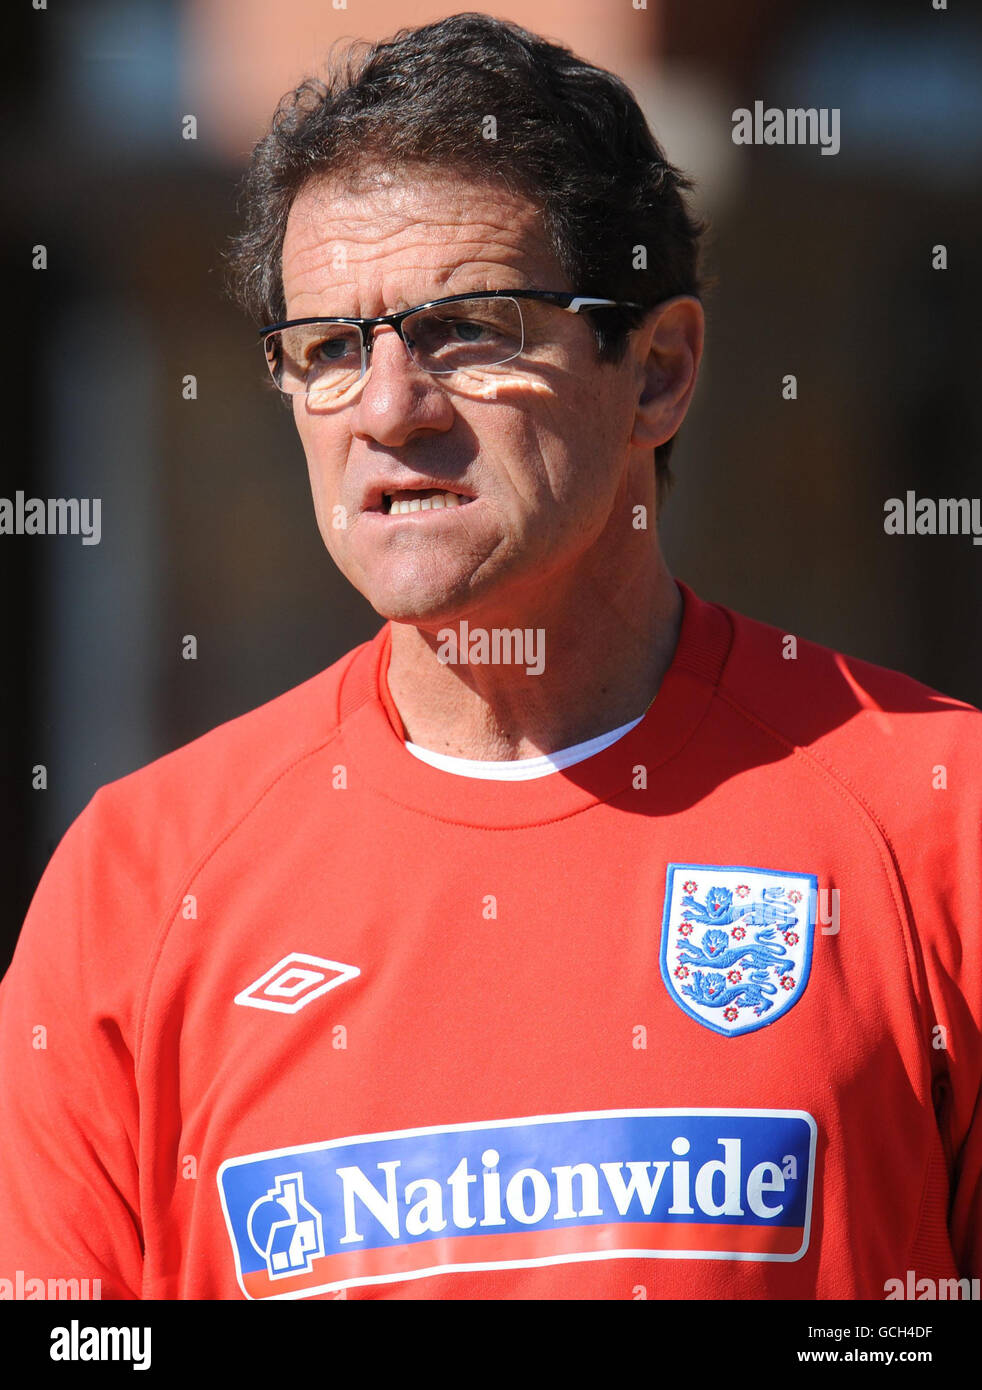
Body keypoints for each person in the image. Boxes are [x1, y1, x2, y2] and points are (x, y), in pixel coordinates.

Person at [0, 12, 979, 1303]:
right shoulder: (135, 885)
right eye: (329, 351)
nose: (390, 410)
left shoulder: (934, 818)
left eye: (467, 329)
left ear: (659, 370)